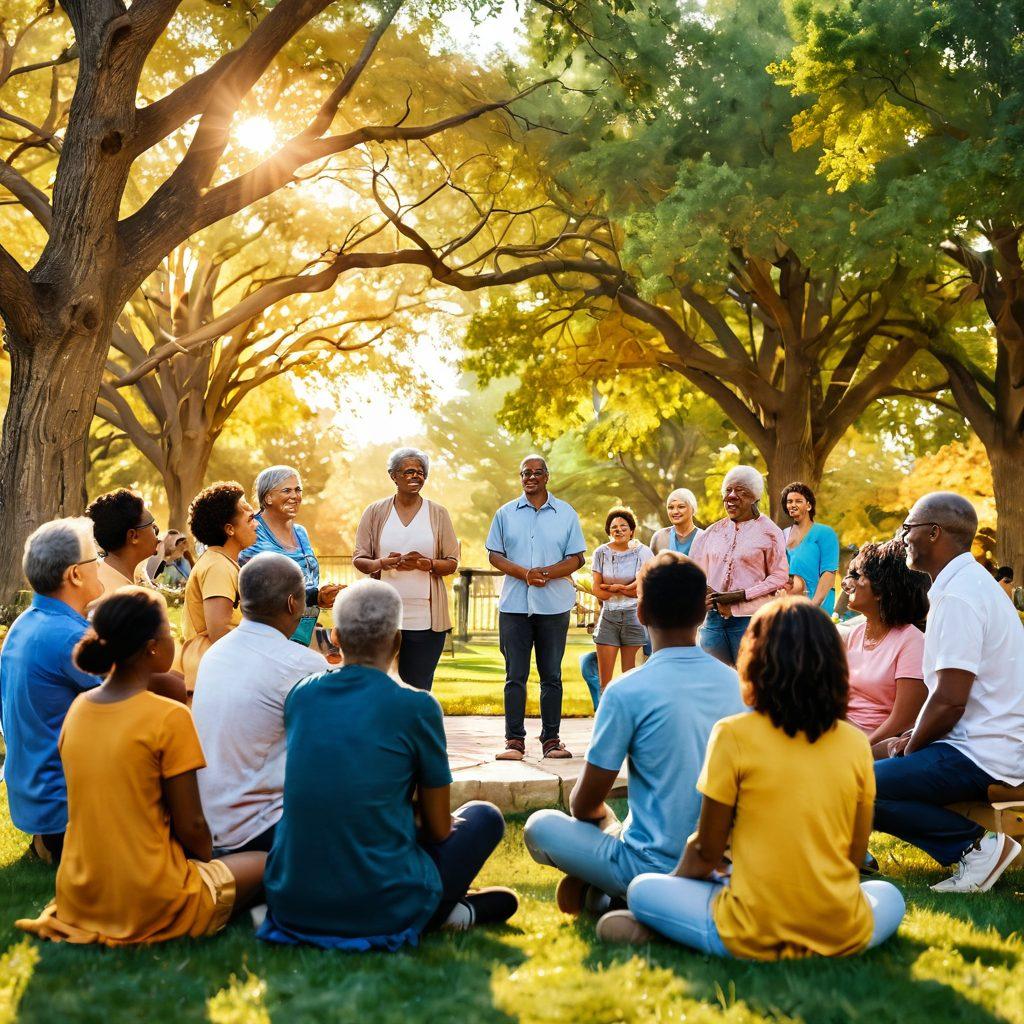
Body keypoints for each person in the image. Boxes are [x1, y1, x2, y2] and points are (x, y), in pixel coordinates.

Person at [599, 597, 906, 957]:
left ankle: (665, 929)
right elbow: (853, 857)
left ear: (756, 662)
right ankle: (811, 937)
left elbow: (706, 849)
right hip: (839, 929)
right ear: (836, 667)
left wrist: (673, 888)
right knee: (888, 895)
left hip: (750, 930)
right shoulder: (855, 744)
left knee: (642, 889)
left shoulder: (734, 734)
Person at [258, 580, 517, 948]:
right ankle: (444, 912)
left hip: (292, 901)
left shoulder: (302, 694)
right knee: (483, 817)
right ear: (397, 641)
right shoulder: (417, 705)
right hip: (378, 907)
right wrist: (416, 815)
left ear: (335, 637)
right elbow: (441, 829)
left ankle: (450, 910)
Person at [15, 589, 266, 945]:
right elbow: (192, 825)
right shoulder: (169, 717)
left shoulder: (79, 710)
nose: (175, 639)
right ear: (151, 646)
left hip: (79, 891)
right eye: (169, 632)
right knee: (272, 862)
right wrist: (209, 864)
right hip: (151, 894)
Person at [524, 552, 745, 914]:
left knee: (541, 826)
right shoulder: (738, 686)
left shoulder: (626, 690)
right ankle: (610, 892)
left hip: (645, 865)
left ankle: (611, 889)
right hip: (721, 866)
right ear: (703, 613)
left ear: (640, 614)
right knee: (610, 825)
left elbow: (584, 803)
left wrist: (605, 824)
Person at [873, 492, 1024, 893]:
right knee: (863, 771)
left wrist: (912, 747)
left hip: (984, 753)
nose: (903, 536)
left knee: (860, 786)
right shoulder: (964, 585)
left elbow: (950, 699)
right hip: (977, 743)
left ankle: (976, 850)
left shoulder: (960, 595)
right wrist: (913, 739)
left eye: (909, 527)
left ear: (934, 532)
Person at [192, 553, 329, 855]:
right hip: (254, 829)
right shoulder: (301, 664)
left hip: (206, 820)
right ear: (293, 604)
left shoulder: (215, 653)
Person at [0, 519, 103, 865]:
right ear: (75, 574)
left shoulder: (26, 623)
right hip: (64, 808)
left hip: (34, 796)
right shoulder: (69, 637)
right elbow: (131, 700)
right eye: (95, 558)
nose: (101, 565)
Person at [486, 455, 587, 760]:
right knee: (514, 674)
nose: (530, 477)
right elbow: (495, 555)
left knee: (551, 675)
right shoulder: (505, 514)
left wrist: (545, 574)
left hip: (553, 607)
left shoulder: (566, 514)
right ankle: (514, 741)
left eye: (536, 473)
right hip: (514, 606)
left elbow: (577, 558)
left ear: (547, 476)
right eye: (525, 473)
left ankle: (551, 740)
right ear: (521, 478)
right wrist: (525, 575)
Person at [353, 448, 459, 691]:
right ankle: (381, 729)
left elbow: (452, 561)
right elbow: (360, 558)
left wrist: (427, 564)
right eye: (408, 471)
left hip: (425, 617)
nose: (415, 476)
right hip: (382, 615)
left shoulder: (438, 513)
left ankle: (413, 730)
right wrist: (382, 563)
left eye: (421, 472)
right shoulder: (375, 512)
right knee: (378, 685)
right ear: (393, 475)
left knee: (418, 686)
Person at [688, 466, 788, 666]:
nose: (731, 496)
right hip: (712, 622)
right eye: (728, 491)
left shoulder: (770, 532)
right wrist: (711, 594)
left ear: (755, 498)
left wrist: (741, 595)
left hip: (750, 619)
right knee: (714, 683)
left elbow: (779, 576)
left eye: (741, 492)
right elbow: (693, 571)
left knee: (751, 683)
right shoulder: (711, 532)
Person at [239, 466, 342, 647]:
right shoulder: (253, 530)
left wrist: (322, 595)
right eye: (287, 490)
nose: (295, 496)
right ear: (268, 497)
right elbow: (261, 588)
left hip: (303, 634)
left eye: (298, 489)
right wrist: (313, 597)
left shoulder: (301, 532)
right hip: (268, 636)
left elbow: (307, 581)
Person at [842, 540, 929, 746]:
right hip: (842, 734)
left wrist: (857, 751)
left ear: (881, 590)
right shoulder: (856, 634)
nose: (847, 582)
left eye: (856, 576)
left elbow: (903, 721)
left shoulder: (912, 642)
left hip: (874, 744)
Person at [180, 482, 258, 695]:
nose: (256, 524)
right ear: (229, 529)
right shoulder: (217, 566)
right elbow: (219, 631)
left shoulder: (222, 562)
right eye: (249, 519)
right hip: (212, 674)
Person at [591, 507, 654, 691]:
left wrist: (616, 588)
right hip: (608, 617)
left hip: (634, 616)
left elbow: (643, 589)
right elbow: (597, 590)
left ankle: (631, 719)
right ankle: (604, 718)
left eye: (623, 527)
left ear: (632, 530)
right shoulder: (600, 553)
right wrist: (627, 588)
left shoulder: (643, 552)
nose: (618, 530)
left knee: (630, 681)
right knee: (606, 684)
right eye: (614, 527)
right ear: (609, 531)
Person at [85, 488, 161, 596]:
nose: (157, 535)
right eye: (153, 527)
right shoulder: (121, 597)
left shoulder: (98, 576)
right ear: (133, 536)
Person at [781, 482, 840, 614]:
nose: (793, 505)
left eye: (798, 501)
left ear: (808, 505)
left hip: (818, 605)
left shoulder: (825, 533)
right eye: (789, 501)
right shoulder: (782, 535)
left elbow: (829, 573)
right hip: (791, 605)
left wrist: (813, 606)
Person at [650, 488, 703, 556]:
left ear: (693, 509)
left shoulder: (704, 538)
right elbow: (651, 565)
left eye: (681, 507)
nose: (675, 512)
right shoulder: (659, 537)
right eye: (671, 507)